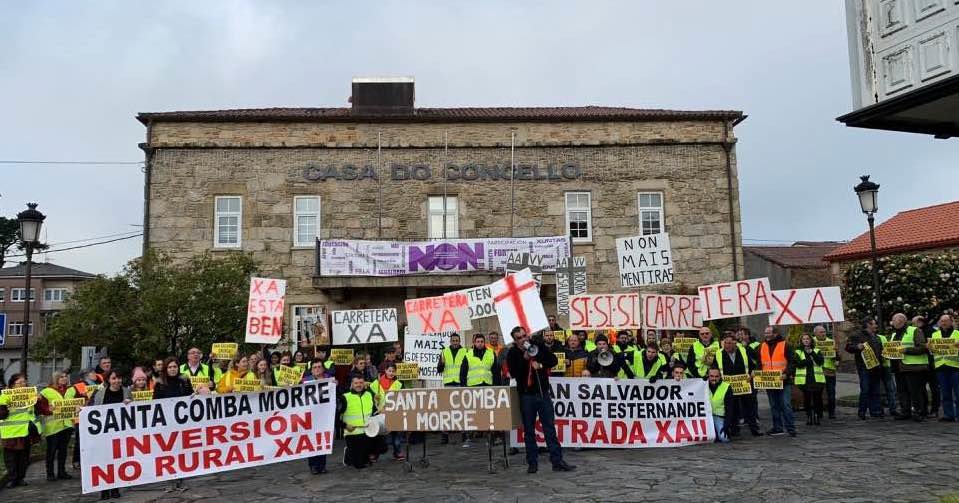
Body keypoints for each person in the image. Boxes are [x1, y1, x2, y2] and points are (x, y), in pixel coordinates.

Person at [505, 326, 575, 474]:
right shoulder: (513, 353)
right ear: (515, 340)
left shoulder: (537, 345)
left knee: (549, 428)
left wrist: (540, 364)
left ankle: (557, 461)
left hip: (543, 393)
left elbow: (553, 361)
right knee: (529, 430)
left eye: (524, 335)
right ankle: (532, 463)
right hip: (526, 396)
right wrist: (524, 360)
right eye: (519, 338)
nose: (523, 339)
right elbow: (514, 373)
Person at [712, 333, 760, 437]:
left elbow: (752, 365)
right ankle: (734, 429)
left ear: (735, 343)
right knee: (732, 408)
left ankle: (754, 429)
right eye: (725, 343)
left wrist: (752, 373)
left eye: (729, 343)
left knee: (749, 407)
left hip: (744, 384)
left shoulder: (743, 351)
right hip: (728, 386)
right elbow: (715, 368)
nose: (727, 345)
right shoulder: (719, 353)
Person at [0, 373, 41, 490]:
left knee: (24, 457)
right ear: (13, 385)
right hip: (10, 432)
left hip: (25, 430)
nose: (23, 384)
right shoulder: (5, 396)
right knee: (10, 458)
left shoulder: (30, 395)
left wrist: (38, 401)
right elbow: (1, 414)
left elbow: (36, 412)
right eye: (20, 382)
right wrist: (4, 405)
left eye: (24, 382)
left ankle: (20, 478)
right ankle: (12, 479)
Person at [887, 313, 929, 421]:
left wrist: (906, 350)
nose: (892, 323)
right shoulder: (893, 334)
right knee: (902, 391)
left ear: (901, 321)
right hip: (898, 367)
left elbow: (923, 348)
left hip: (913, 367)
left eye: (893, 321)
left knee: (915, 391)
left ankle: (919, 412)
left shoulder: (915, 331)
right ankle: (905, 411)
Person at [759, 326, 796, 437]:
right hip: (769, 381)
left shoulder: (785, 345)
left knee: (786, 405)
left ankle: (790, 428)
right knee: (774, 405)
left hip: (783, 381)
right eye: (765, 333)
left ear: (775, 334)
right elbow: (760, 363)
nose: (766, 335)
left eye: (768, 333)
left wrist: (786, 373)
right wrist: (756, 373)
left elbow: (792, 362)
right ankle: (777, 427)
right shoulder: (762, 346)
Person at [846, 317, 885, 419]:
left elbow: (880, 351)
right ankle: (862, 412)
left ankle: (875, 411)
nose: (876, 326)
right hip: (864, 367)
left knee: (876, 390)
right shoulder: (857, 335)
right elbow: (848, 347)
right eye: (874, 324)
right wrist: (857, 347)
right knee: (865, 389)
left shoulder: (876, 337)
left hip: (876, 367)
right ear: (868, 325)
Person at [38, 371, 73, 481]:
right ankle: (50, 473)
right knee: (51, 451)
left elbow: (78, 402)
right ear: (55, 379)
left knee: (63, 451)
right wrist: (49, 410)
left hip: (67, 425)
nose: (64, 378)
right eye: (61, 377)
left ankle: (62, 472)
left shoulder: (70, 390)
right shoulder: (46, 392)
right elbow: (42, 408)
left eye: (65, 376)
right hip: (53, 427)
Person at [339, 376, 376, 469]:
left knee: (383, 447)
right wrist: (345, 426)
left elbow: (376, 409)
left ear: (364, 384)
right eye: (356, 383)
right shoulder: (345, 397)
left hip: (368, 431)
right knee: (359, 465)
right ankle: (348, 453)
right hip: (352, 432)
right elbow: (335, 417)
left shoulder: (369, 394)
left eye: (361, 383)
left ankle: (362, 453)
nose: (359, 385)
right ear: (351, 384)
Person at [436, 333, 467, 444]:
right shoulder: (444, 352)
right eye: (453, 340)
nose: (455, 342)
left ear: (459, 341)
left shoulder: (465, 352)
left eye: (456, 340)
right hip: (448, 384)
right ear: (450, 341)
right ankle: (445, 435)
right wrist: (442, 364)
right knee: (447, 410)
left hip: (460, 383)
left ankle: (464, 434)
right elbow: (439, 369)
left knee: (462, 410)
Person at [370, 363, 404, 460]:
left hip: (393, 412)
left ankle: (397, 452)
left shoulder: (399, 384)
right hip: (379, 412)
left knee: (396, 433)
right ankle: (375, 453)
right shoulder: (376, 383)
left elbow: (401, 399)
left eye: (393, 371)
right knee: (377, 434)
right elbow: (369, 398)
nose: (391, 373)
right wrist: (375, 398)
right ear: (385, 370)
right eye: (389, 371)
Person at [68, 369, 100, 470]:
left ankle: (89, 460)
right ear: (86, 375)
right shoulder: (77, 386)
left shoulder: (98, 385)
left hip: (95, 417)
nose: (95, 374)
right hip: (81, 418)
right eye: (93, 373)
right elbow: (69, 400)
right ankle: (77, 461)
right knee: (80, 440)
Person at [302, 360, 330, 474]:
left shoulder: (329, 379)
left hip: (324, 415)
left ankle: (322, 465)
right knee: (312, 440)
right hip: (310, 415)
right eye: (315, 367)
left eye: (319, 367)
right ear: (311, 370)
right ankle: (313, 465)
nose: (317, 369)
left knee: (323, 439)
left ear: (323, 369)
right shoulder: (305, 381)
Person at [930, 314, 959, 422]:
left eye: (946, 321)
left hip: (955, 367)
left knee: (958, 393)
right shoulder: (935, 335)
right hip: (941, 368)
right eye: (942, 321)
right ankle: (948, 415)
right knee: (945, 394)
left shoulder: (957, 334)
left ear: (951, 322)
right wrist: (929, 347)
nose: (944, 323)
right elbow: (932, 351)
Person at [795, 333, 826, 426]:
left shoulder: (816, 350)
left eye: (807, 339)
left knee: (817, 398)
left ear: (811, 340)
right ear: (801, 341)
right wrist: (809, 361)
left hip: (816, 379)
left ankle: (817, 415)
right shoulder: (798, 351)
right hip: (804, 379)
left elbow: (820, 362)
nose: (806, 340)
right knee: (807, 398)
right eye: (804, 339)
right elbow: (798, 364)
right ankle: (809, 415)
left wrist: (811, 353)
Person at [812, 325, 839, 419]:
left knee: (831, 393)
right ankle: (819, 413)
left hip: (830, 371)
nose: (823, 334)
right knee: (817, 394)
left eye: (824, 332)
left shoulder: (831, 342)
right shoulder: (812, 342)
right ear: (815, 333)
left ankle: (832, 412)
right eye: (821, 332)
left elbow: (837, 357)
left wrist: (837, 356)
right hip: (817, 372)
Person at [707, 368, 732, 443]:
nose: (714, 378)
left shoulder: (726, 387)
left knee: (724, 438)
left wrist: (726, 425)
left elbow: (730, 409)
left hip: (719, 417)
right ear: (708, 376)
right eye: (711, 376)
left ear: (720, 376)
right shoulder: (702, 385)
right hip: (706, 417)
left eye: (716, 376)